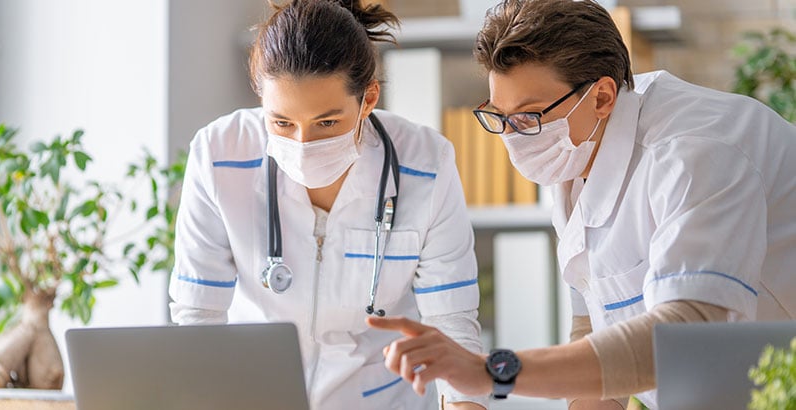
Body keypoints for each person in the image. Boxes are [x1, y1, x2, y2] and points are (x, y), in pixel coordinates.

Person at [367, 0, 796, 409]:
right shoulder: (574, 153)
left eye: (529, 116)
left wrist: (491, 372)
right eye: (500, 117)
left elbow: (685, 331)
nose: (514, 138)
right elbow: (593, 321)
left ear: (602, 96)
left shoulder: (694, 154)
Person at [167, 0, 487, 408]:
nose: (303, 144)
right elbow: (199, 319)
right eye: (281, 122)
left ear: (368, 99)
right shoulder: (219, 154)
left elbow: (452, 324)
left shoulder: (425, 164)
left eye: (327, 123)